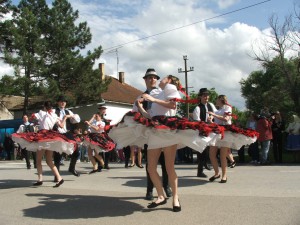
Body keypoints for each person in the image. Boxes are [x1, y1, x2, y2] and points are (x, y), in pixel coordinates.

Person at [136, 74, 182, 212]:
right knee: (150, 168)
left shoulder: (170, 88)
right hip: (155, 130)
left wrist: (153, 99)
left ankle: (175, 198)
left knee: (169, 167)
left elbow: (172, 104)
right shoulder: (158, 92)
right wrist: (140, 108)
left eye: (164, 77)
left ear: (169, 80)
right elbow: (150, 115)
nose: (160, 79)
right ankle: (161, 195)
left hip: (167, 130)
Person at [12, 101, 76, 187]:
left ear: (44, 107)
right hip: (50, 137)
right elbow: (61, 126)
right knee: (49, 160)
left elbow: (32, 118)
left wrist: (34, 117)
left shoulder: (41, 113)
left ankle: (40, 179)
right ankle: (59, 178)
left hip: (42, 137)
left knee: (38, 160)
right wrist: (64, 118)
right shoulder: (54, 115)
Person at [207, 95, 258, 183]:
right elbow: (216, 121)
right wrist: (211, 120)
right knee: (212, 154)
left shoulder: (227, 108)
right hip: (217, 132)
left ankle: (224, 176)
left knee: (223, 155)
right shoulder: (218, 110)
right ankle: (216, 173)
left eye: (217, 99)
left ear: (221, 100)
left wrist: (214, 114)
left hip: (226, 132)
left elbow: (226, 119)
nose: (216, 101)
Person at [53, 95, 81, 180]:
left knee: (76, 152)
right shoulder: (54, 111)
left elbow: (77, 119)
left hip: (68, 133)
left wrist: (69, 116)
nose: (63, 103)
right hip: (58, 133)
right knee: (58, 155)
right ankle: (56, 176)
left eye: (64, 102)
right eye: (61, 101)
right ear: (58, 102)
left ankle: (71, 168)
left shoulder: (68, 111)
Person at [192, 88, 217, 178]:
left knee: (208, 150)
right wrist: (207, 122)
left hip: (210, 131)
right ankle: (200, 170)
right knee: (201, 150)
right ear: (200, 97)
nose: (206, 97)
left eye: (207, 95)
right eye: (204, 95)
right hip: (202, 131)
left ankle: (205, 163)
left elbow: (216, 114)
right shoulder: (197, 108)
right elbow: (197, 121)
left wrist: (211, 117)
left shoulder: (211, 105)